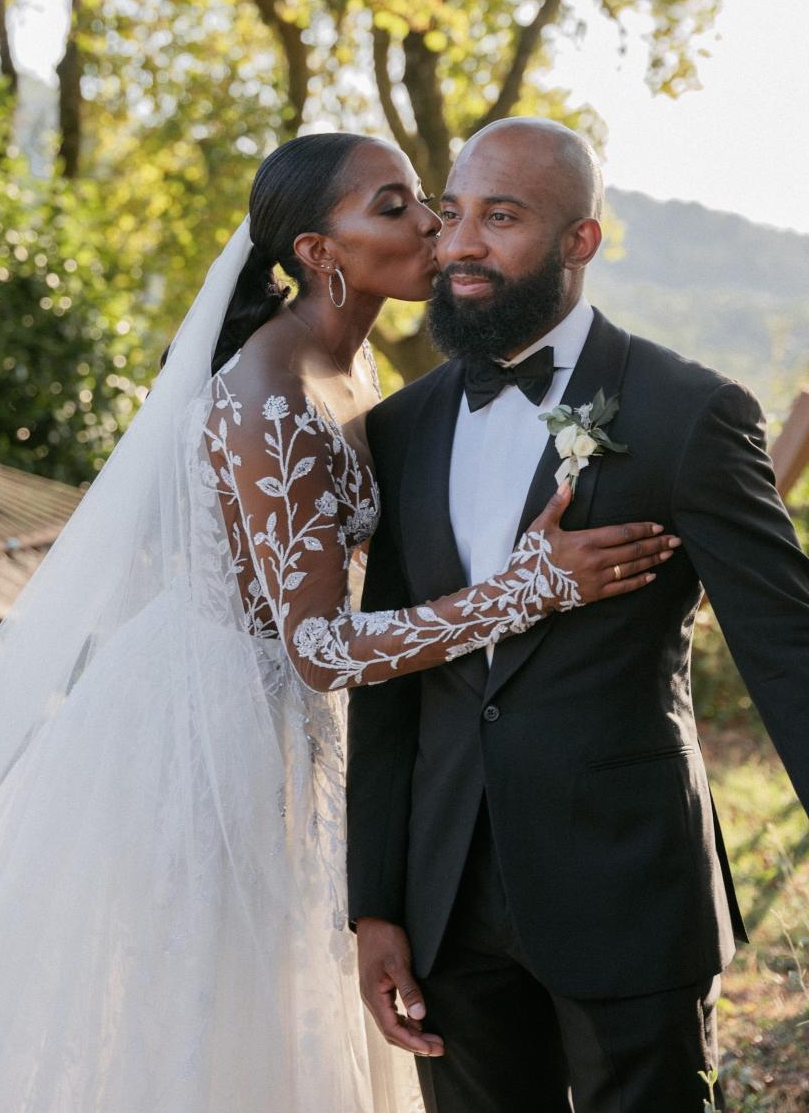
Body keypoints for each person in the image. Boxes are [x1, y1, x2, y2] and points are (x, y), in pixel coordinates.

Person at [0, 133, 670, 1112]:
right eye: (395, 204)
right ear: (322, 251)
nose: (432, 222)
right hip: (209, 736)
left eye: (428, 200)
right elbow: (319, 647)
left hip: (288, 728)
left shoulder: (346, 370)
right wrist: (526, 590)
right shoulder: (271, 393)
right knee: (212, 1014)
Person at [347, 117, 809, 1113]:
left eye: (501, 217)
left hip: (628, 891)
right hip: (446, 905)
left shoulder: (689, 413)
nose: (461, 243)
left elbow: (788, 647)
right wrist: (376, 907)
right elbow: (390, 683)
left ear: (580, 241)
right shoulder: (397, 427)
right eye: (453, 211)